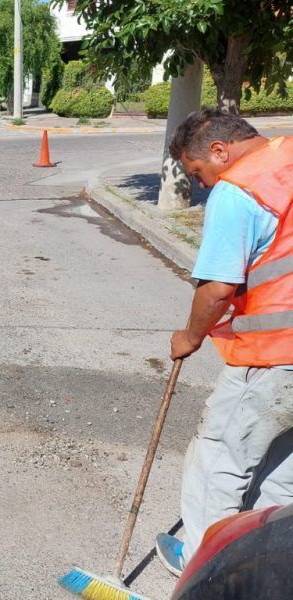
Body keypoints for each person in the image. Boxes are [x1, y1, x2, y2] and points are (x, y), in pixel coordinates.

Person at [157, 108, 293, 576]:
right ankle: (264, 565)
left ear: (219, 150)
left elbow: (217, 287)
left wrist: (189, 336)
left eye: (199, 173)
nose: (205, 184)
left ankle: (203, 569)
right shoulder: (288, 158)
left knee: (219, 457)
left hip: (276, 355)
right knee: (282, 469)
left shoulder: (240, 189)